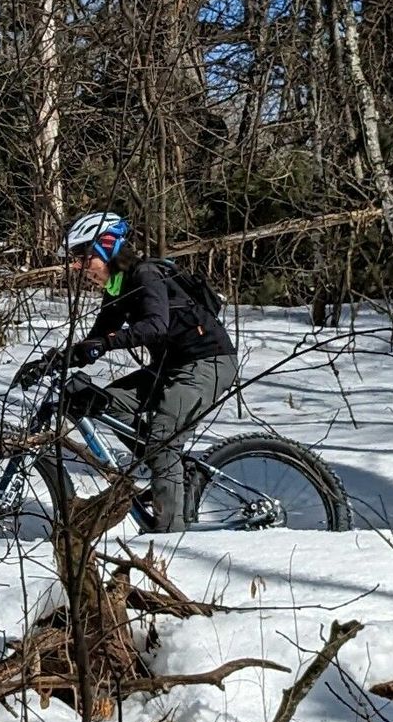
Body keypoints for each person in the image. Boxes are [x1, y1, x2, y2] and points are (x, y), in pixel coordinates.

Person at [16, 210, 238, 532]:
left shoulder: (146, 275)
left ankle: (170, 536)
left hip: (207, 362)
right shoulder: (118, 287)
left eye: (84, 258)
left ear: (108, 247)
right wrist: (52, 361)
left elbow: (155, 326)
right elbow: (95, 340)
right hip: (170, 367)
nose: (79, 267)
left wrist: (106, 343)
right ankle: (168, 472)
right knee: (105, 403)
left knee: (163, 442)